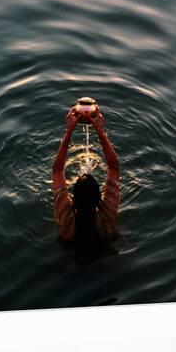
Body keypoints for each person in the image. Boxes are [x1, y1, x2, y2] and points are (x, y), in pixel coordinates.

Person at [52, 105, 120, 251]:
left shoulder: (66, 218)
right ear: (99, 198)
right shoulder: (107, 215)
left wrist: (69, 131)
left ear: (72, 200)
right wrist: (101, 132)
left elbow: (57, 170)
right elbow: (114, 167)